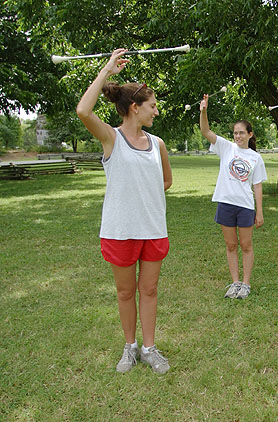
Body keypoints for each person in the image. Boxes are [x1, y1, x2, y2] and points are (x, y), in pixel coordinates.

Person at [76, 49, 172, 374]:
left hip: (153, 229)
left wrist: (144, 198)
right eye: (152, 106)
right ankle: (129, 347)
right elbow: (83, 110)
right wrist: (107, 69)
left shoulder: (158, 144)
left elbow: (166, 182)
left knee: (150, 289)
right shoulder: (111, 139)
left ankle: (149, 347)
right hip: (119, 230)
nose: (156, 112)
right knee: (125, 291)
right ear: (135, 107)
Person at [199, 94, 266, 299]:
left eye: (241, 133)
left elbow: (257, 186)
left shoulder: (255, 158)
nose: (237, 136)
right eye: (235, 133)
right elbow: (205, 131)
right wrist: (203, 111)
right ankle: (235, 282)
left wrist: (259, 212)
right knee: (230, 245)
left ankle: (246, 284)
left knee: (246, 245)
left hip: (245, 206)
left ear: (250, 134)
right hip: (226, 204)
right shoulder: (227, 147)